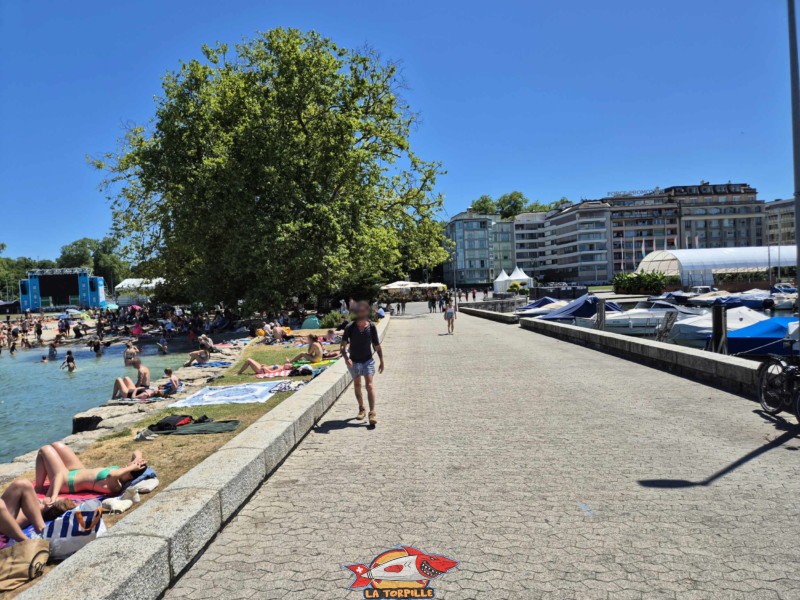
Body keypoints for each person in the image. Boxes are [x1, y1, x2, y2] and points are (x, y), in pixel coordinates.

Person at [35, 442, 147, 503]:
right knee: (57, 445)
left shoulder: (116, 485)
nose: (127, 464)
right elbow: (136, 451)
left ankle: (39, 488)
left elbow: (111, 475)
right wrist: (138, 459)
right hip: (78, 470)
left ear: (130, 474)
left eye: (129, 466)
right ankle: (40, 487)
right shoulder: (123, 472)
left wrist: (130, 467)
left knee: (45, 450)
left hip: (67, 481)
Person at [340, 301, 384, 427]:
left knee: (369, 385)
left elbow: (376, 345)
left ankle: (372, 412)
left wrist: (381, 360)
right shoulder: (350, 328)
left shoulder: (371, 327)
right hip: (354, 361)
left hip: (367, 360)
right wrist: (345, 358)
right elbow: (342, 347)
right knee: (357, 385)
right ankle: (361, 408)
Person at [0, 480, 74, 542]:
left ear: (49, 505)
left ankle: (39, 534)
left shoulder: (33, 509)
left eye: (54, 498)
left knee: (23, 485)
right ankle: (42, 531)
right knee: (23, 485)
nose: (51, 497)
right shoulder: (34, 508)